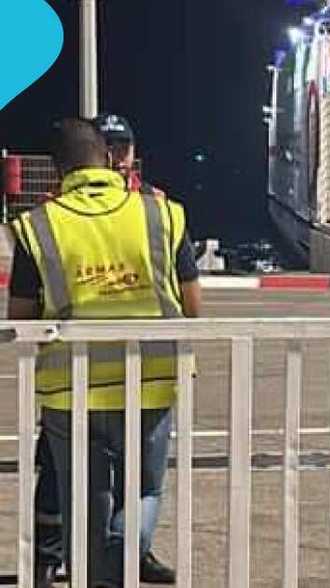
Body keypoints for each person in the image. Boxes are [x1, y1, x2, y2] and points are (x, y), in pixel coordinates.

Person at [9, 118, 201, 587]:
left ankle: (100, 573)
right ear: (110, 158)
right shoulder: (162, 214)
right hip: (151, 380)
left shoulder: (38, 226)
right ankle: (119, 567)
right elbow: (193, 305)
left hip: (70, 390)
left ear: (58, 170)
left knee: (83, 499)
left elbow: (22, 316)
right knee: (144, 490)